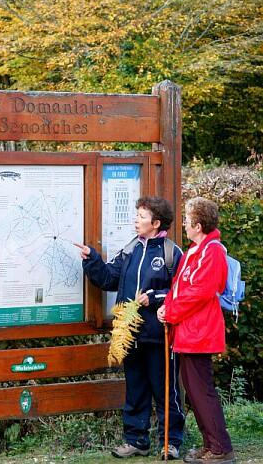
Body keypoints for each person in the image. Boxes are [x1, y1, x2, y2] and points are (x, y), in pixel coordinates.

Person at [75, 196, 184, 459]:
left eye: (142, 216)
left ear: (156, 223)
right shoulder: (130, 249)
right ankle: (136, 440)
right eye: (137, 215)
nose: (136, 220)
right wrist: (92, 259)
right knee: (135, 390)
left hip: (159, 337)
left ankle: (171, 442)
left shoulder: (172, 253)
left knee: (165, 391)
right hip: (130, 335)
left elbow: (181, 292)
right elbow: (108, 278)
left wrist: (154, 297)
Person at [157, 197, 235, 464]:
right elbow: (178, 286)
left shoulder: (212, 251)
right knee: (195, 391)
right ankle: (211, 444)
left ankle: (221, 448)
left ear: (198, 225)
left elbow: (200, 292)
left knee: (202, 391)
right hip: (188, 331)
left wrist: (171, 312)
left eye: (188, 221)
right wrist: (166, 307)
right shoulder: (195, 250)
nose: (185, 225)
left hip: (199, 332)